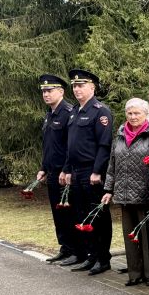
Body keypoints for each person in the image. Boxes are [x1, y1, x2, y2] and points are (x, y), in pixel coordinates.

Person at [101, 98, 149, 286]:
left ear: (146, 114)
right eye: (130, 113)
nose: (133, 116)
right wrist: (108, 189)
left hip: (146, 194)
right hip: (124, 193)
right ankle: (134, 274)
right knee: (130, 237)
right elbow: (112, 165)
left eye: (137, 113)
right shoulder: (120, 135)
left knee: (146, 237)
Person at [62, 69, 114, 276]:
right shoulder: (75, 111)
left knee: (97, 216)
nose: (76, 89)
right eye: (74, 86)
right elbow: (70, 145)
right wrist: (67, 169)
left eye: (81, 85)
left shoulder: (100, 111)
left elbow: (104, 145)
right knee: (82, 214)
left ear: (92, 87)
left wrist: (97, 171)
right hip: (76, 171)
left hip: (92, 172)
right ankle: (91, 255)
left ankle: (103, 258)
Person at [37, 74, 77, 265]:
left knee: (69, 213)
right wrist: (43, 168)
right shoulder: (50, 114)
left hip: (64, 173)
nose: (46, 94)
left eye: (50, 90)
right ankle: (65, 248)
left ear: (61, 91)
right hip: (52, 172)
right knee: (58, 213)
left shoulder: (68, 113)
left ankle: (76, 250)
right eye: (44, 91)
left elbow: (71, 146)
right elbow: (49, 145)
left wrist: (66, 169)